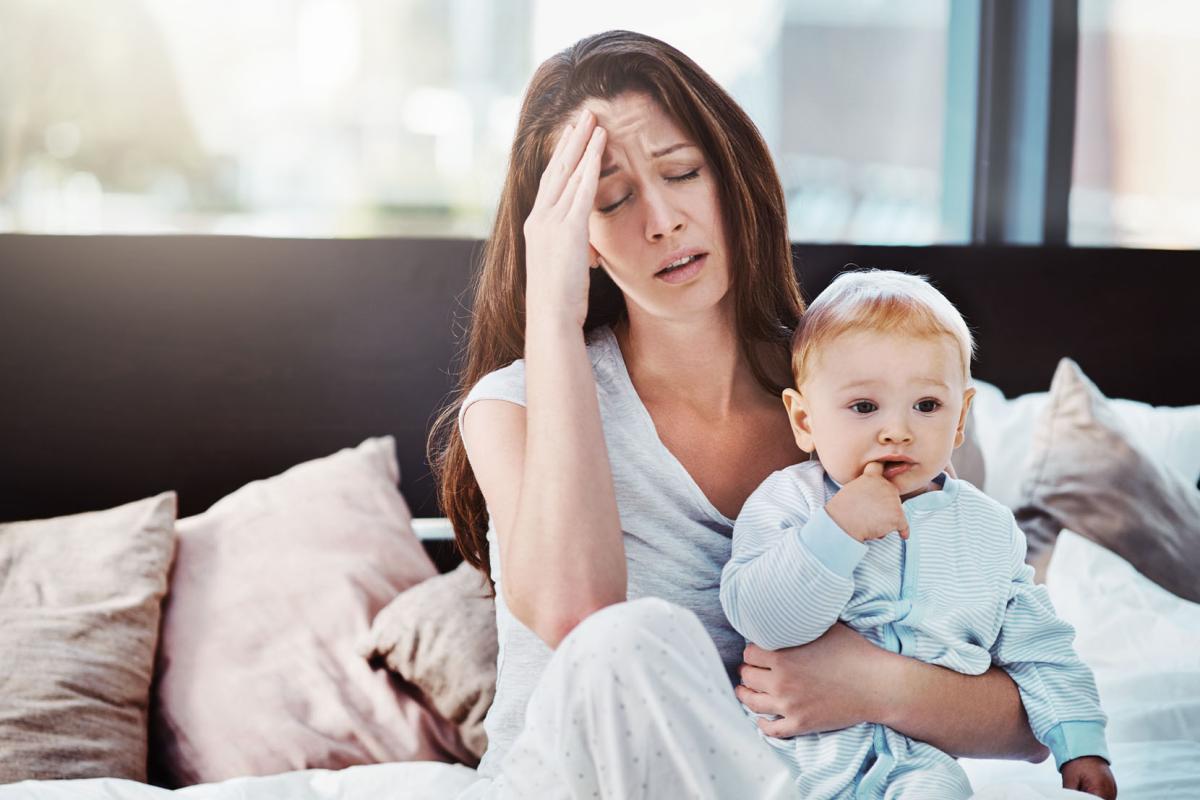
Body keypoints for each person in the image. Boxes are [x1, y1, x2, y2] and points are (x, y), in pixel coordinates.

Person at [429, 29, 1054, 799]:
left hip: (802, 779)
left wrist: (869, 686)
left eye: (683, 172)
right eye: (613, 199)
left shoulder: (876, 405)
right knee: (627, 639)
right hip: (578, 782)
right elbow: (577, 616)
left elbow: (1033, 716)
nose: (662, 220)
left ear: (729, 175)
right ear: (576, 240)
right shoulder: (515, 406)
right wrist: (551, 317)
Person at [720, 270, 1118, 800]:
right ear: (805, 420)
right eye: (864, 407)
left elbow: (1038, 646)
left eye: (927, 406)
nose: (897, 430)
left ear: (960, 420)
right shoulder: (789, 502)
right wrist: (839, 529)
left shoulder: (987, 530)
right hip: (789, 757)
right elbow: (761, 617)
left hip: (916, 763)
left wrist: (1081, 743)